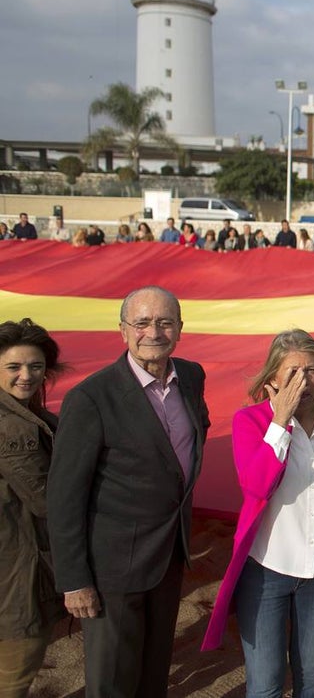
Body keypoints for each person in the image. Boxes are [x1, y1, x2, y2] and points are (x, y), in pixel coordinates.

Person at [47, 286, 210, 696]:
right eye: (142, 323)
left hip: (169, 556)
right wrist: (74, 581)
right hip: (112, 570)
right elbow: (64, 497)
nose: (153, 332)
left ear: (180, 329)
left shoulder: (192, 376)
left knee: (154, 675)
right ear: (123, 331)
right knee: (114, 682)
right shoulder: (90, 397)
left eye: (164, 322)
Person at [202, 331, 314, 697]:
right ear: (272, 378)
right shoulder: (249, 421)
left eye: (311, 370)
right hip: (266, 571)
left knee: (313, 673)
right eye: (292, 372)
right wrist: (280, 421)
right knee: (266, 682)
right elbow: (256, 486)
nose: (304, 380)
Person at [0, 319, 66, 697]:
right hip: (16, 573)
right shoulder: (14, 427)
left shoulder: (27, 415)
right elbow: (46, 500)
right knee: (16, 672)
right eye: (14, 366)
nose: (26, 376)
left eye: (36, 366)